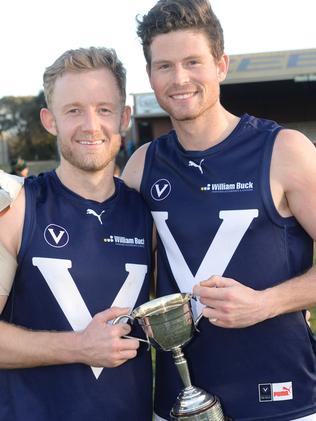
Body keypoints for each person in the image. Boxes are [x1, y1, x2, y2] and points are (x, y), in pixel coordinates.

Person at [122, 1, 316, 420]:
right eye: (164, 66)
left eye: (193, 62)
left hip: (284, 398)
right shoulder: (141, 166)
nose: (180, 79)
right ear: (150, 75)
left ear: (221, 65)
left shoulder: (285, 151)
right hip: (178, 402)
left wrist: (267, 302)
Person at [0, 47, 153, 421]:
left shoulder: (146, 214)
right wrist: (80, 347)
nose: (90, 124)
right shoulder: (18, 208)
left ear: (124, 117)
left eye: (104, 109)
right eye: (73, 110)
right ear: (49, 120)